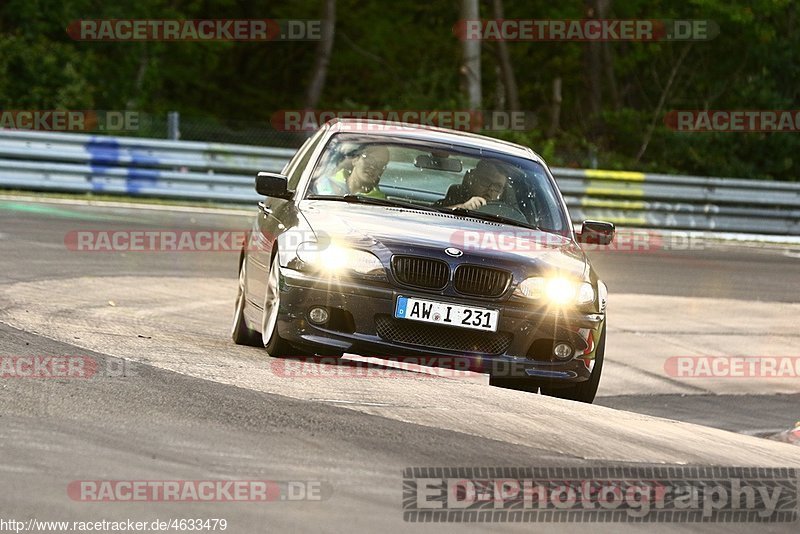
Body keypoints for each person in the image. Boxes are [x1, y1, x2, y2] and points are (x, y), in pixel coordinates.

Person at [312, 145, 390, 198]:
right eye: (369, 159)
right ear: (355, 159)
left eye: (380, 164)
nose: (373, 167)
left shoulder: (380, 202)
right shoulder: (322, 183)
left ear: (382, 171)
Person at [436, 159, 509, 210]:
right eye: (485, 181)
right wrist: (462, 208)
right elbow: (432, 218)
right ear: (472, 180)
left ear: (502, 191)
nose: (491, 189)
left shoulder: (507, 216)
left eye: (497, 186)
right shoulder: (447, 203)